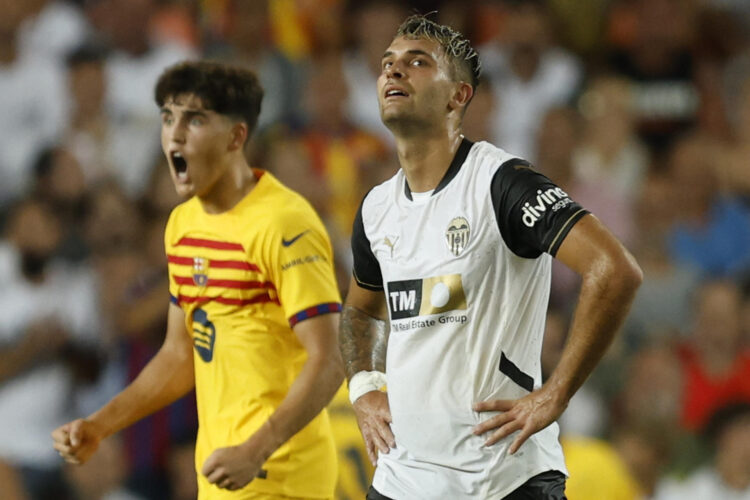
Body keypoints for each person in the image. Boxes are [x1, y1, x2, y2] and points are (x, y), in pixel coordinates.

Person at [338, 15, 643, 499]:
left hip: (504, 480)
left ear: (459, 96)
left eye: (416, 63)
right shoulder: (376, 207)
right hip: (404, 481)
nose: (394, 72)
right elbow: (359, 310)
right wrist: (364, 387)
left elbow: (615, 270)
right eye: (387, 64)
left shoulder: (504, 183)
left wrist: (556, 393)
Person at [52, 60, 345, 499]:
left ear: (236, 136)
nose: (175, 133)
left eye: (195, 119)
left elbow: (330, 359)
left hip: (281, 477)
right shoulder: (183, 225)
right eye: (168, 118)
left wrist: (256, 450)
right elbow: (178, 354)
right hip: (221, 475)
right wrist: (101, 424)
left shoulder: (284, 223)